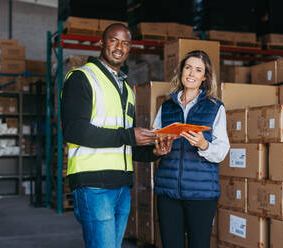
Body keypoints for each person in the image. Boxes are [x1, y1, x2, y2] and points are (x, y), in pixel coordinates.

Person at [61, 23, 173, 248]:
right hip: (93, 184)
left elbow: (124, 144)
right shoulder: (82, 78)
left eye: (125, 43)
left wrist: (153, 151)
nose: (119, 47)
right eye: (114, 40)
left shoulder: (125, 88)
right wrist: (130, 136)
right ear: (101, 43)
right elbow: (75, 131)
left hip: (121, 185)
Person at [153, 50, 230, 248]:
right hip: (168, 191)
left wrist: (203, 144)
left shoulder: (215, 108)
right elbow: (154, 139)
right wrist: (159, 146)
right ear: (181, 72)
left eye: (198, 70)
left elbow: (221, 150)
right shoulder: (167, 107)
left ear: (204, 77)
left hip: (201, 193)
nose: (191, 74)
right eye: (188, 68)